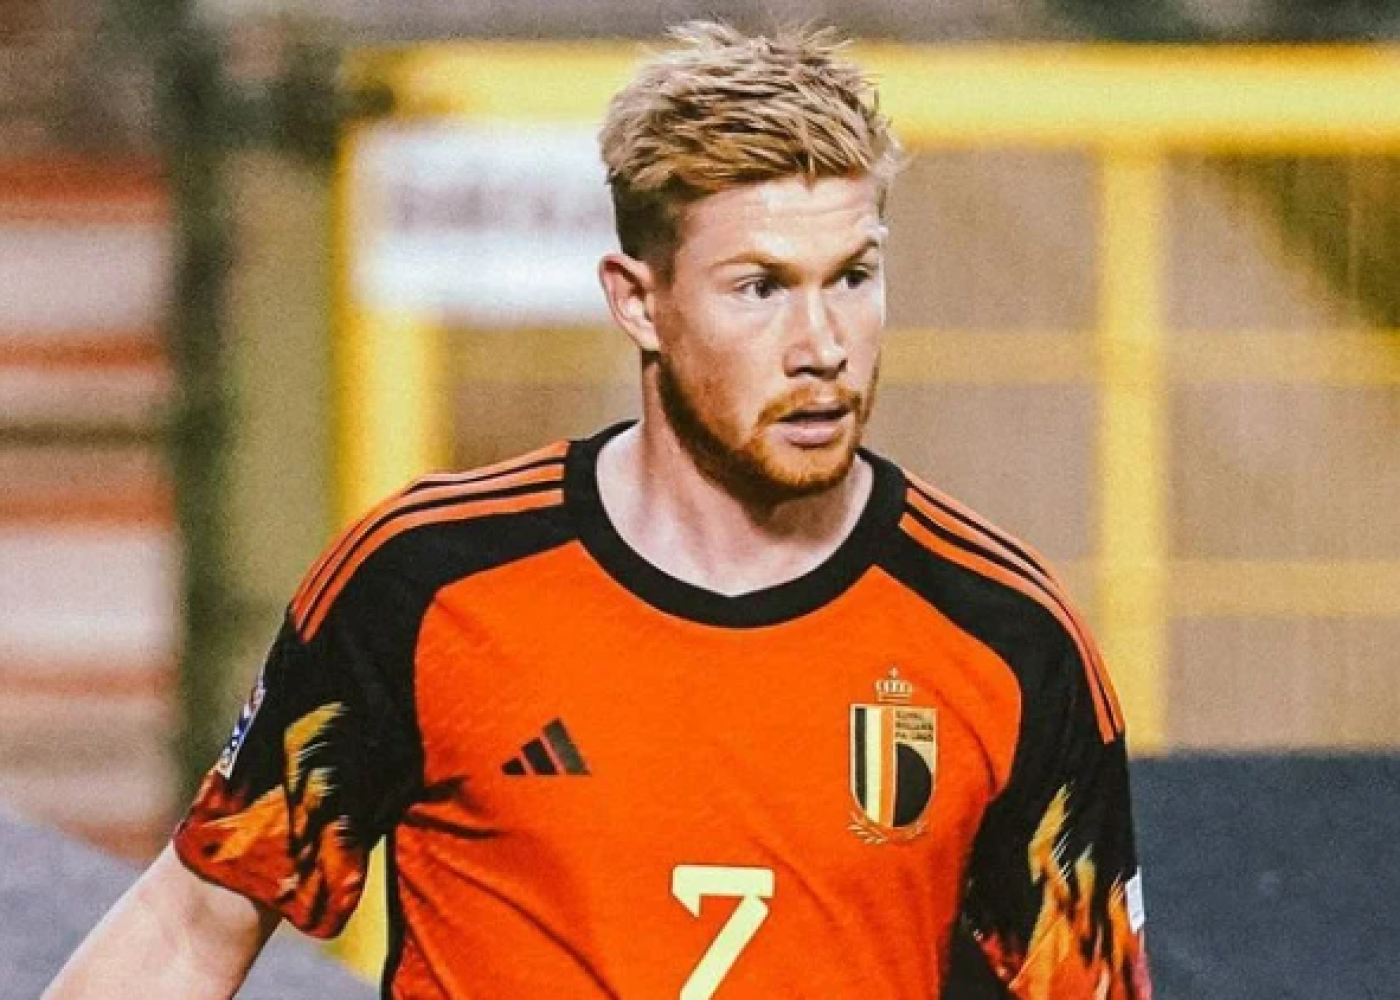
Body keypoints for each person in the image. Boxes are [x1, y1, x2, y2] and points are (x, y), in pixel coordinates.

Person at [45, 21, 1151, 1000]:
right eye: (760, 287)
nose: (822, 346)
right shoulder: (425, 582)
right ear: (638, 302)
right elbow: (191, 930)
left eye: (852, 277)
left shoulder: (1007, 638)